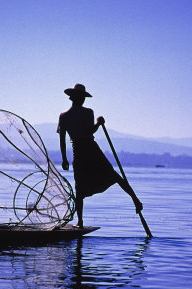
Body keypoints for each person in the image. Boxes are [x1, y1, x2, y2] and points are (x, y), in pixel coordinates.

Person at [57, 83, 143, 228]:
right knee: (82, 186)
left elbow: (67, 139)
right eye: (80, 97)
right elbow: (84, 132)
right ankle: (80, 221)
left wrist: (65, 159)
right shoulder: (69, 115)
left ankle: (136, 201)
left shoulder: (75, 114)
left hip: (87, 150)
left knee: (112, 176)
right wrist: (98, 123)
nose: (82, 100)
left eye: (83, 97)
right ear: (73, 97)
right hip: (83, 150)